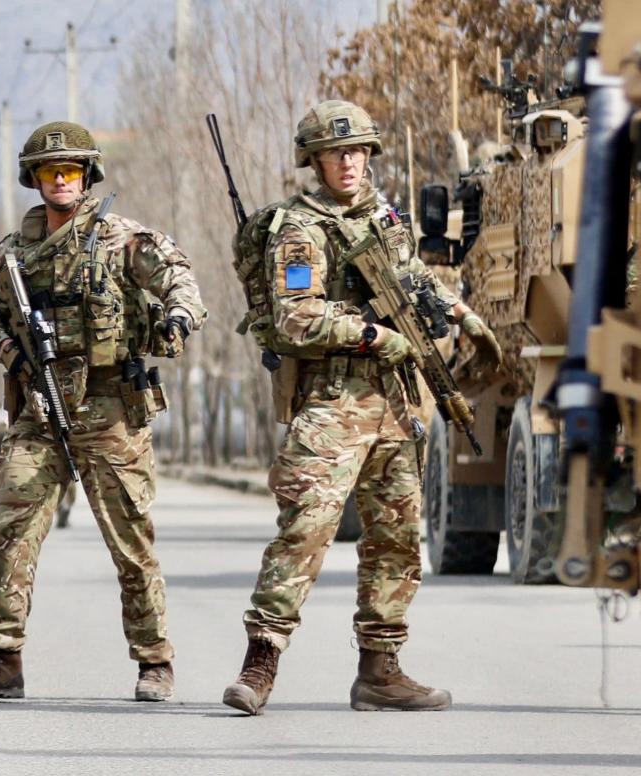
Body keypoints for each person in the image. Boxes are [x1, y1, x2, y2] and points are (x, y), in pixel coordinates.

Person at [220, 100, 504, 715]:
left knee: (397, 540)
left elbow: (411, 281)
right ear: (313, 160)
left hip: (394, 403)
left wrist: (460, 311)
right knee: (306, 531)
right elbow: (297, 317)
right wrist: (376, 336)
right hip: (332, 400)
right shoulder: (298, 229)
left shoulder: (384, 216)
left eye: (357, 151)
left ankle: (381, 670)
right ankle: (259, 665)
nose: (348, 162)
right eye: (334, 153)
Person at [0, 121, 206, 702]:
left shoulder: (124, 239)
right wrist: (8, 349)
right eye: (48, 171)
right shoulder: (14, 253)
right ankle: (2, 658)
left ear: (87, 175)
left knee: (130, 541)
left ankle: (154, 661)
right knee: (11, 528)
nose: (60, 180)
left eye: (70, 170)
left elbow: (181, 283)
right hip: (40, 408)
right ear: (33, 179)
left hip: (111, 409)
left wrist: (177, 318)